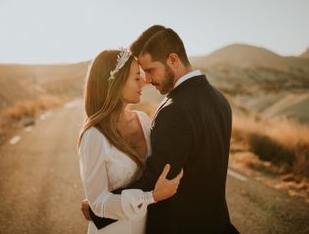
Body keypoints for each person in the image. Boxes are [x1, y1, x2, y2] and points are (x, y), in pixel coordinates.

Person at [83, 26, 240, 233]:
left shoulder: (174, 110)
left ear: (173, 60)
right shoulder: (219, 100)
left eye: (149, 70)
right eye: (140, 74)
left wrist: (96, 211)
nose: (146, 80)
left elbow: (155, 178)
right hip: (215, 221)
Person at [78, 48, 183, 234]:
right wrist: (151, 197)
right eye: (136, 77)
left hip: (147, 226)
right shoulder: (94, 136)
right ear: (116, 84)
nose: (144, 82)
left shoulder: (143, 120)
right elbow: (98, 204)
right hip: (113, 230)